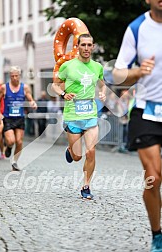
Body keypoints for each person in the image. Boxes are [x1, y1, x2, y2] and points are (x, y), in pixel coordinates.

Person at [112, 1, 162, 251]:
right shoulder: (137, 28)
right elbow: (117, 74)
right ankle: (157, 235)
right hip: (147, 109)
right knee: (153, 176)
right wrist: (138, 72)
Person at [51, 33, 106, 199]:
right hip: (73, 115)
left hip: (90, 114)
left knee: (91, 152)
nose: (87, 48)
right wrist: (63, 93)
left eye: (90, 45)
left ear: (93, 47)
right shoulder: (68, 66)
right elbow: (55, 85)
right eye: (84, 45)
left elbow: (102, 85)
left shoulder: (97, 67)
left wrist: (102, 93)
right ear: (78, 46)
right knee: (77, 156)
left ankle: (86, 186)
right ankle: (70, 150)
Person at [0, 66, 37, 171]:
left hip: (20, 118)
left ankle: (14, 162)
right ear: (10, 76)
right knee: (11, 141)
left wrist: (32, 102)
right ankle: (8, 147)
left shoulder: (25, 87)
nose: (14, 78)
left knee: (19, 142)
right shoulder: (4, 88)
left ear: (19, 76)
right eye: (12, 76)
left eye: (16, 76)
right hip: (8, 118)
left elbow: (30, 98)